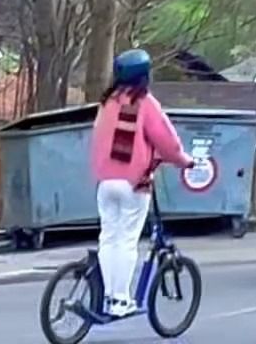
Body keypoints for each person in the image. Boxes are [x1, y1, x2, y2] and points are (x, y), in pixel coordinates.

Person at [91, 48, 188, 319]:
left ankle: (108, 296)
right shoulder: (146, 103)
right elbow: (168, 143)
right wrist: (184, 161)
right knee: (127, 241)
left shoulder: (107, 102)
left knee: (108, 238)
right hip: (133, 184)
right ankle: (121, 300)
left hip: (105, 183)